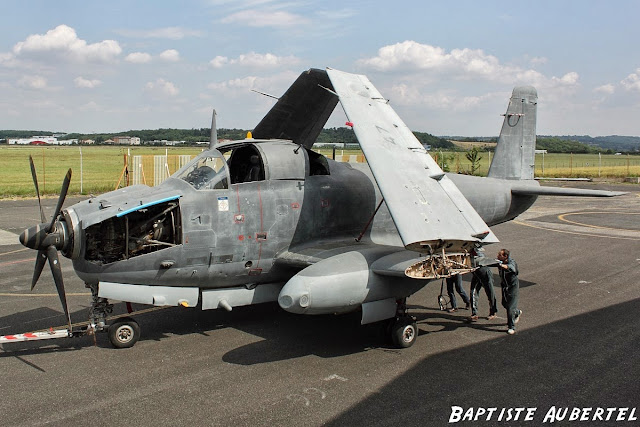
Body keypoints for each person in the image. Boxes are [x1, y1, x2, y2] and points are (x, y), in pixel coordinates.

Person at [467, 248, 497, 322]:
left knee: (490, 293)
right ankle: (474, 313)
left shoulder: (476, 251)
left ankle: (493, 312)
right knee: (473, 292)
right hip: (476, 274)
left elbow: (482, 260)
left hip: (484, 273)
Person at [497, 248, 522, 335]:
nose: (497, 256)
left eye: (500, 255)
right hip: (504, 286)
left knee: (510, 308)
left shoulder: (511, 262)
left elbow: (512, 268)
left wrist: (502, 266)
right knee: (504, 303)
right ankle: (517, 312)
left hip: (512, 287)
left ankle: (511, 327)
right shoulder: (499, 261)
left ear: (505, 256)